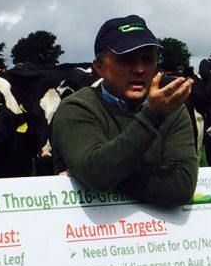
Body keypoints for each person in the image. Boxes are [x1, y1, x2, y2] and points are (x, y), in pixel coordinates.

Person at [51, 15, 198, 206]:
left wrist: (96, 173)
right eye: (126, 60)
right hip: (88, 232)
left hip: (160, 234)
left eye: (148, 59)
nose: (140, 69)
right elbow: (97, 174)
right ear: (99, 67)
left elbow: (182, 186)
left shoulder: (172, 110)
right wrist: (152, 116)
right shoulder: (77, 108)